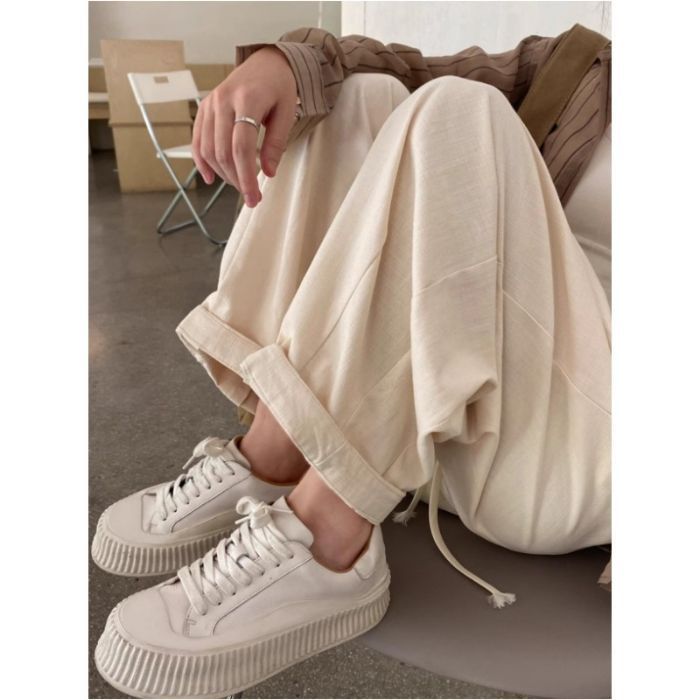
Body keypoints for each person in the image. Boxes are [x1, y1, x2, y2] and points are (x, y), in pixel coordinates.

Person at [93, 23, 611, 698]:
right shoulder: (589, 66)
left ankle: (329, 534)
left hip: (584, 451)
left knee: (466, 110)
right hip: (464, 398)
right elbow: (390, 65)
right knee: (361, 97)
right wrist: (282, 63)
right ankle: (276, 454)